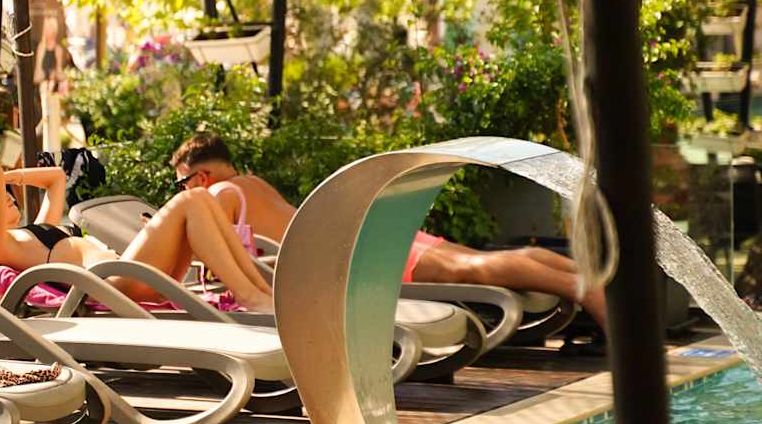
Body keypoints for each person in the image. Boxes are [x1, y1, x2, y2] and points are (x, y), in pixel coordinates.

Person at [170, 132, 607, 328]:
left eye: (182, 184)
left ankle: (585, 290)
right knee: (480, 259)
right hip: (367, 235)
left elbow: (213, 252)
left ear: (201, 177)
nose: (184, 192)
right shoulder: (253, 184)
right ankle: (585, 277)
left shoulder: (219, 195)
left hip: (360, 256)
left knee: (474, 269)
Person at [0, 161, 274, 314]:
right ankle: (249, 297)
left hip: (127, 276)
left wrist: (7, 176)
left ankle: (259, 290)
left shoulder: (32, 231)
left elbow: (57, 178)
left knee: (201, 197)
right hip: (114, 284)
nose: (7, 195)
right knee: (189, 201)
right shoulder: (0, 245)